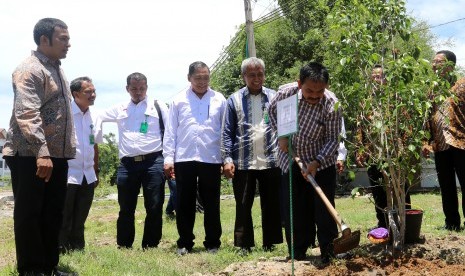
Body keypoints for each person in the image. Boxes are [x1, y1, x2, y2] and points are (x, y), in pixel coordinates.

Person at [2, 18, 77, 276]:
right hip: (31, 155)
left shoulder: (56, 68)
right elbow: (26, 112)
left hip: (56, 155)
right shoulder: (29, 69)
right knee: (30, 214)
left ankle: (48, 266)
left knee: (52, 212)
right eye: (63, 39)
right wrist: (41, 152)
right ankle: (31, 269)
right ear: (44, 40)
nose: (69, 44)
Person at [269, 62, 342, 264]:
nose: (314, 96)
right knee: (295, 207)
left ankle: (328, 248)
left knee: (323, 208)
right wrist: (281, 135)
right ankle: (297, 250)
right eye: (309, 90)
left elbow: (332, 139)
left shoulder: (331, 103)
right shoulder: (286, 94)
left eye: (319, 91)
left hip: (321, 160)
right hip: (290, 158)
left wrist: (316, 162)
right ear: (299, 83)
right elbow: (271, 112)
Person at [95, 72, 168, 249]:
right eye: (134, 88)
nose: (138, 92)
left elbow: (171, 131)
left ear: (147, 88)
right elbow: (98, 116)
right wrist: (95, 140)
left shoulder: (157, 106)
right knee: (126, 206)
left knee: (154, 205)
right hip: (127, 165)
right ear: (127, 89)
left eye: (142, 88)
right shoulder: (120, 108)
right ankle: (124, 244)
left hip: (153, 161)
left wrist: (170, 158)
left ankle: (150, 245)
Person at [163, 61, 226, 255]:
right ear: (189, 78)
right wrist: (168, 158)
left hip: (211, 157)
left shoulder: (219, 99)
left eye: (206, 77)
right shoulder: (179, 100)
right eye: (198, 77)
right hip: (184, 157)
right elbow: (171, 131)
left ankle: (213, 242)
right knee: (184, 202)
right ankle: (185, 243)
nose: (202, 81)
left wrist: (226, 159)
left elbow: (224, 130)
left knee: (212, 202)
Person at [221, 57, 283, 254]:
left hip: (271, 159)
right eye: (251, 75)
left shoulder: (275, 97)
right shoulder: (234, 100)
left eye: (260, 74)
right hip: (243, 161)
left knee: (271, 203)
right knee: (242, 204)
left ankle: (270, 242)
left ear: (264, 75)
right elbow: (226, 132)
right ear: (244, 77)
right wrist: (227, 160)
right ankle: (244, 244)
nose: (256, 78)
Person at [356, 64, 412, 229]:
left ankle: (405, 224)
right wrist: (361, 150)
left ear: (386, 79)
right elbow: (360, 128)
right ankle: (383, 224)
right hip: (374, 154)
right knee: (377, 189)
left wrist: (404, 150)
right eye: (372, 76)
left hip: (395, 153)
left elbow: (406, 127)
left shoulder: (395, 99)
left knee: (400, 189)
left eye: (378, 76)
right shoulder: (364, 103)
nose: (375, 79)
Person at [423, 50, 465, 231]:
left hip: (461, 142)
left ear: (450, 65)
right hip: (440, 144)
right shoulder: (431, 90)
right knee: (446, 186)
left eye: (438, 62)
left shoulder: (462, 85)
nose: (434, 65)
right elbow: (426, 117)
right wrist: (426, 141)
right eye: (433, 61)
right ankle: (452, 223)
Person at [59, 77, 99, 253]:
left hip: (88, 174)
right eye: (88, 92)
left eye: (93, 91)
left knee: (81, 214)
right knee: (64, 214)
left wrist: (95, 170)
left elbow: (95, 144)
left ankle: (77, 247)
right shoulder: (64, 114)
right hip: (69, 174)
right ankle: (61, 247)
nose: (93, 95)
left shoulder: (95, 116)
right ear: (75, 94)